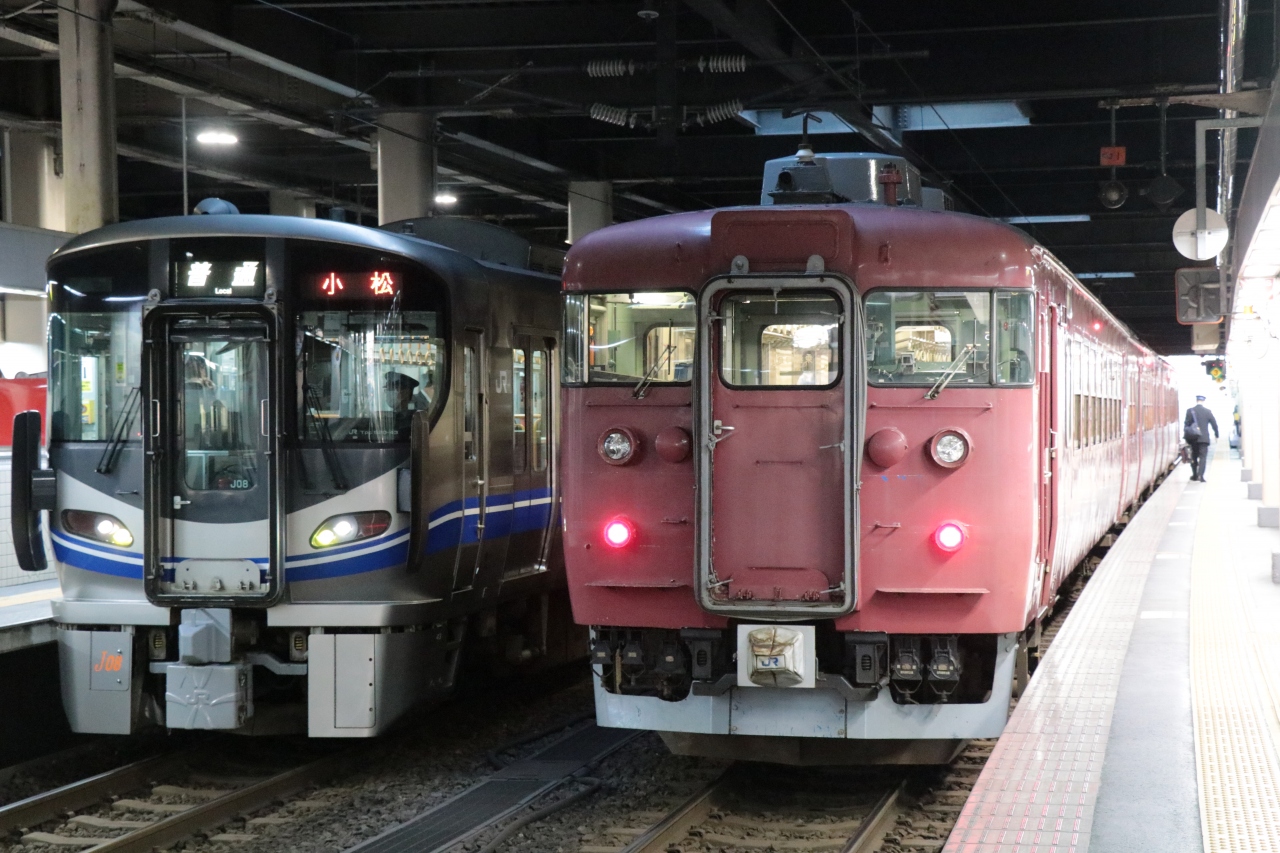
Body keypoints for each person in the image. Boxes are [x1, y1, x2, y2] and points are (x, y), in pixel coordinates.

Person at [384, 371, 430, 440]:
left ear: (405, 392)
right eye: (387, 389)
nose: (388, 393)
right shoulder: (392, 416)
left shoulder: (415, 418)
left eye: (391, 389)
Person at [1184, 394, 1219, 482]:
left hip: (1193, 438)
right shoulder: (1208, 412)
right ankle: (1201, 476)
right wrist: (1216, 434)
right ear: (1203, 401)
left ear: (1196, 400)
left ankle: (1194, 475)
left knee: (1194, 456)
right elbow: (1214, 424)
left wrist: (1186, 438)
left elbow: (1186, 425)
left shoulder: (1190, 411)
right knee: (1203, 457)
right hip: (1204, 439)